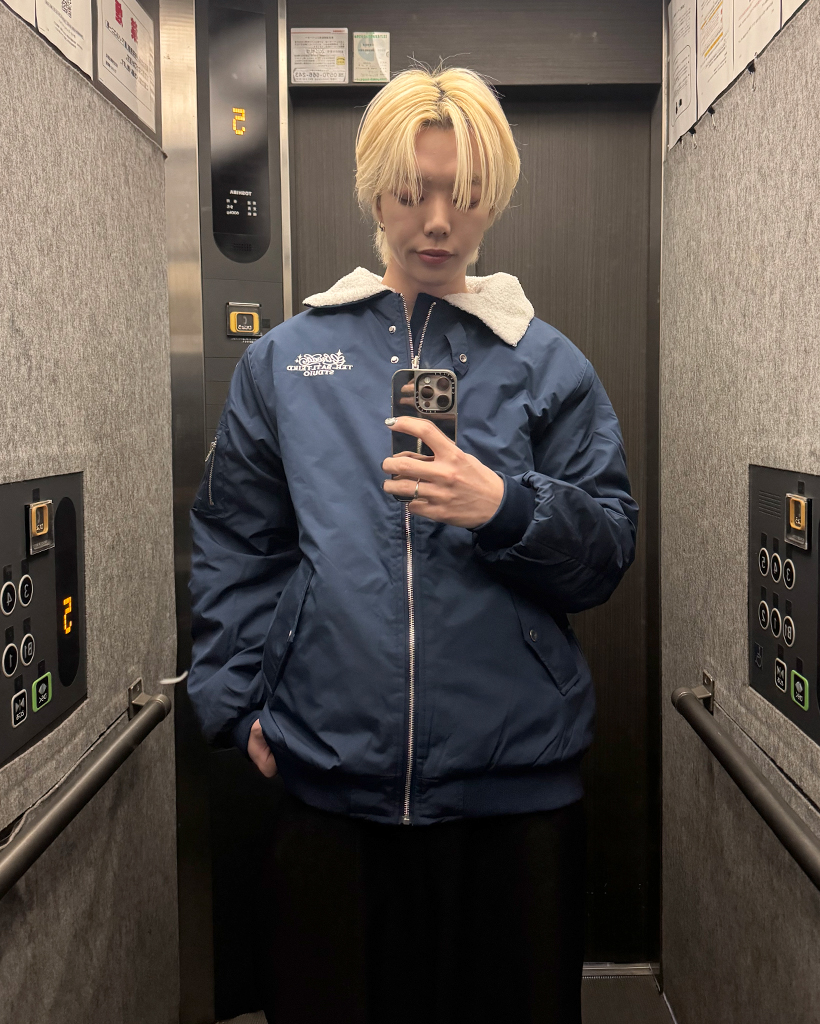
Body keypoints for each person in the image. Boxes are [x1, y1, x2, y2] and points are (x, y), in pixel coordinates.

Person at [188, 65, 638, 1024]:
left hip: (515, 797)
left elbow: (607, 550)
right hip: (330, 789)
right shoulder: (286, 362)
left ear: (493, 199)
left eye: (463, 195)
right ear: (373, 192)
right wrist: (237, 702)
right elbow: (236, 540)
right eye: (411, 192)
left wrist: (504, 507)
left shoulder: (546, 364)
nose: (437, 222)